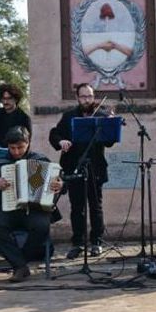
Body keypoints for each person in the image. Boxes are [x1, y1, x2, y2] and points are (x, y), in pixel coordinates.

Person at [0, 126, 63, 282]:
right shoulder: (0, 163)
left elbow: (59, 182)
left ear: (28, 143)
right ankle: (20, 266)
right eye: (12, 148)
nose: (16, 152)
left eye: (20, 147)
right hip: (7, 209)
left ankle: (19, 263)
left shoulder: (41, 160)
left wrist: (60, 185)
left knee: (41, 226)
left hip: (35, 209)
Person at [49, 83, 116, 258]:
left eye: (90, 96)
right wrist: (61, 142)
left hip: (96, 167)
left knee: (96, 207)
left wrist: (110, 125)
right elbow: (54, 134)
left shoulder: (102, 116)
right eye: (83, 96)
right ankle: (78, 243)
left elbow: (109, 142)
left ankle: (96, 242)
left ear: (94, 97)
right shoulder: (69, 116)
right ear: (77, 98)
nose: (87, 99)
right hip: (73, 166)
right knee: (77, 207)